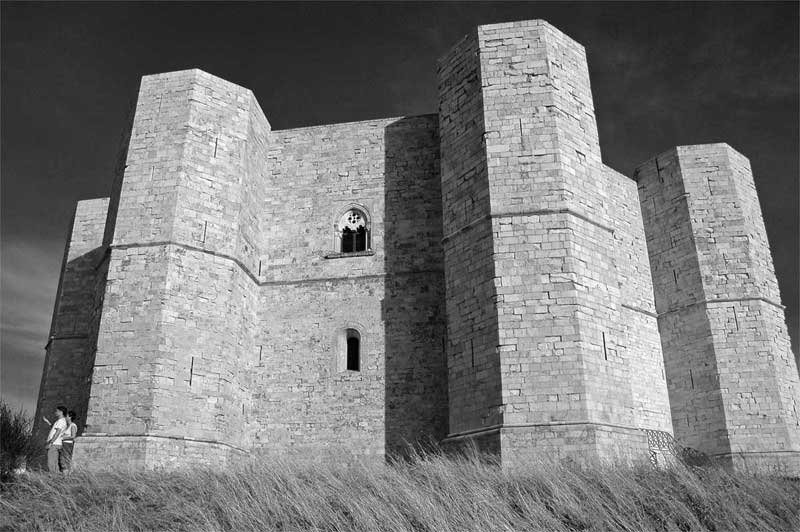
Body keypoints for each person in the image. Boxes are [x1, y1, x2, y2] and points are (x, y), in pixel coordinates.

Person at [45, 406, 68, 473]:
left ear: (61, 412)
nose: (55, 412)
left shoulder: (61, 421)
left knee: (51, 463)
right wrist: (47, 422)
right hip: (56, 443)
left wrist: (50, 443)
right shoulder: (60, 421)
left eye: (56, 411)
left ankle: (54, 478)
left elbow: (57, 432)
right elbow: (54, 429)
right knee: (54, 462)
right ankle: (55, 477)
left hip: (55, 444)